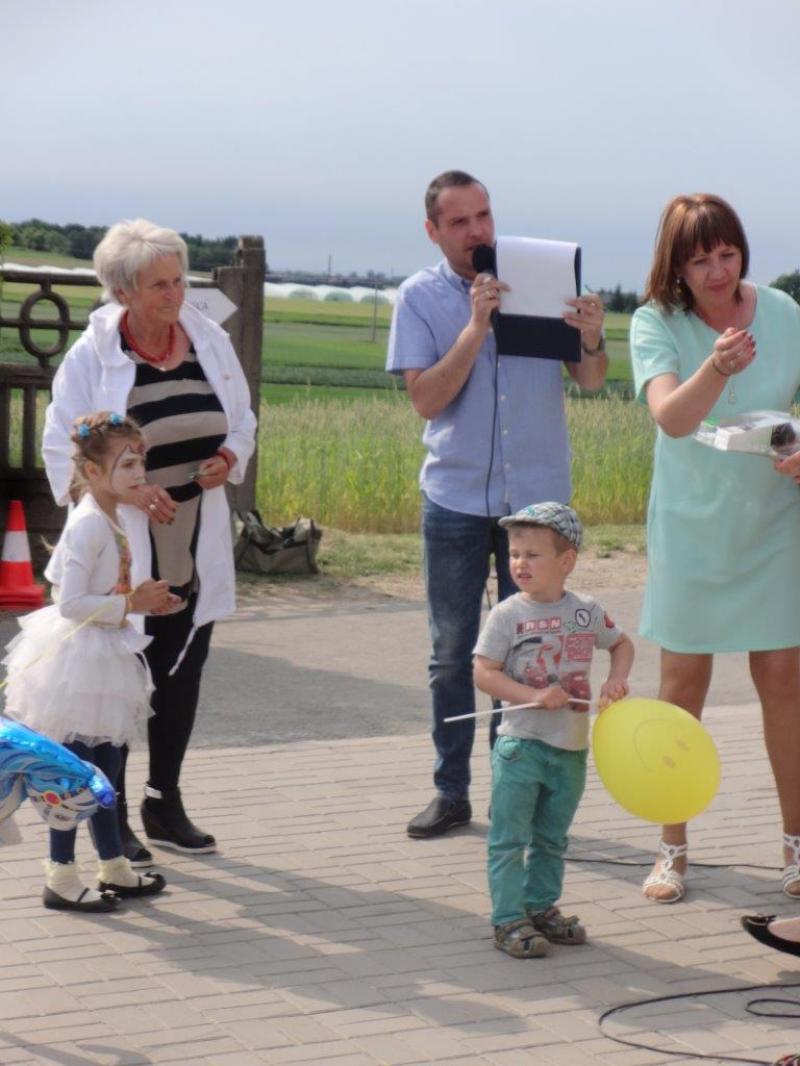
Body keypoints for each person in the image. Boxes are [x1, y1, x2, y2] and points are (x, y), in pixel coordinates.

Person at [386, 170, 608, 838]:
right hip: (454, 498)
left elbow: (591, 380)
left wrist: (592, 335)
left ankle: (515, 789)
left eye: (483, 215)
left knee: (530, 651)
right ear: (433, 231)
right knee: (455, 652)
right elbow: (427, 399)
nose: (477, 231)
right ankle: (451, 792)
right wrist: (477, 325)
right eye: (460, 222)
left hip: (536, 504)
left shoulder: (542, 279)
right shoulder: (420, 298)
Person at [43, 219, 257, 864]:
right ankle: (112, 814)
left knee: (182, 669)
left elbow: (242, 417)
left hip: (193, 535)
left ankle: (164, 802)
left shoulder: (208, 340)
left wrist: (228, 456)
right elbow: (65, 448)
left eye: (179, 279)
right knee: (122, 680)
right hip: (127, 544)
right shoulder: (93, 357)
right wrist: (125, 491)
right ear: (122, 292)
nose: (175, 294)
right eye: (159, 284)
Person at [630, 193, 800, 903]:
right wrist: (718, 368)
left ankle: (796, 847)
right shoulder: (654, 322)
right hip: (694, 527)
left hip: (773, 524)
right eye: (699, 260)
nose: (717, 271)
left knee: (786, 686)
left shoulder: (787, 314)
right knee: (680, 692)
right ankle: (672, 847)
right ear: (675, 264)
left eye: (727, 253)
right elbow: (672, 417)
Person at [3, 412, 170, 911]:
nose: (138, 472)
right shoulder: (89, 522)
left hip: (104, 655)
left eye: (141, 460)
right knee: (70, 774)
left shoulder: (109, 513)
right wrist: (130, 605)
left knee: (108, 767)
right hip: (78, 664)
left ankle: (113, 863)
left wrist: (141, 601)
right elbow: (68, 599)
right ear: (93, 472)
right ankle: (60, 874)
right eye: (126, 463)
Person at [473, 502, 633, 957]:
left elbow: (620, 644)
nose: (519, 564)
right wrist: (531, 696)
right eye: (514, 554)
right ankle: (507, 920)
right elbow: (483, 673)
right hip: (521, 746)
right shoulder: (507, 614)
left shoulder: (585, 611)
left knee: (551, 838)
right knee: (508, 838)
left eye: (532, 554)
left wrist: (616, 678)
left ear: (566, 561)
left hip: (570, 748)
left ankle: (540, 907)